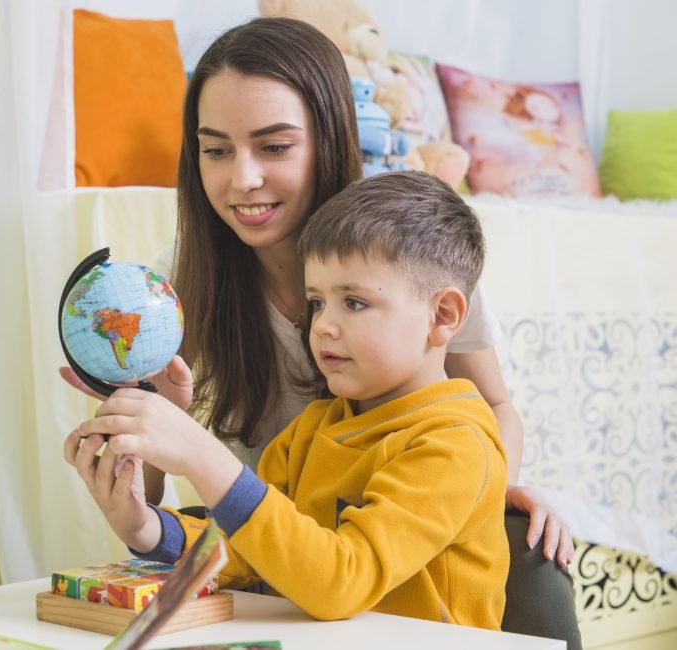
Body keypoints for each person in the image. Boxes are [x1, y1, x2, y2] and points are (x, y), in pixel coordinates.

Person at [59, 15, 573, 564]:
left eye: (274, 147)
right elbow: (162, 507)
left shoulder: (405, 254)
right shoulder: (173, 288)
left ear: (328, 138)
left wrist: (481, 491)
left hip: (377, 557)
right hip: (266, 560)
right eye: (216, 151)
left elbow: (494, 405)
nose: (243, 179)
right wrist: (144, 439)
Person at [65, 170, 509, 628]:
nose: (323, 326)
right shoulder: (313, 428)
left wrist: (203, 457)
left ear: (443, 315)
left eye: (353, 302)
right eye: (316, 302)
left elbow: (341, 582)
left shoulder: (455, 446)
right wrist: (144, 526)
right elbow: (249, 550)